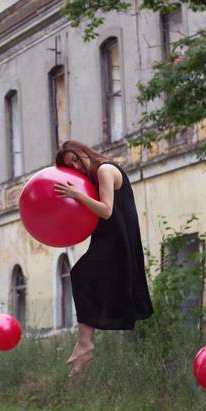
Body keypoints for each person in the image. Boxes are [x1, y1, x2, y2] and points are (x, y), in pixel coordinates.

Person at [53, 140, 153, 377]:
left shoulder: (104, 170)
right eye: (71, 166)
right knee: (82, 276)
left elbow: (107, 210)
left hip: (117, 238)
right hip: (105, 236)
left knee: (81, 275)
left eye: (76, 159)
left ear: (84, 151)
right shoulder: (92, 178)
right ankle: (84, 342)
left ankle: (85, 344)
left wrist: (76, 194)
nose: (77, 167)